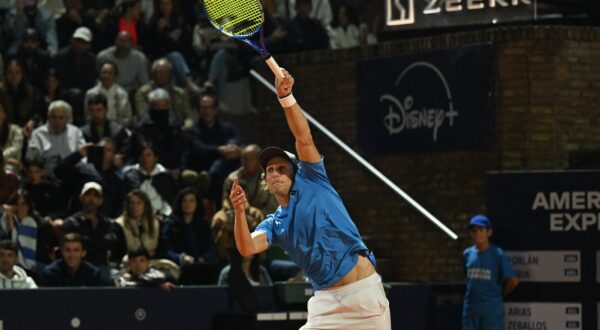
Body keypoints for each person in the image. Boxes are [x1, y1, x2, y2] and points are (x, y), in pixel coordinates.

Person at [230, 69, 390, 329]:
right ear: (265, 182)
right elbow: (247, 248)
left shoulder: (313, 179)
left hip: (364, 298)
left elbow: (303, 137)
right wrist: (238, 211)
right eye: (269, 171)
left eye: (282, 168)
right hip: (325, 303)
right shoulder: (274, 225)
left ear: (296, 172)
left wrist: (286, 98)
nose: (275, 173)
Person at [462, 215, 519, 330]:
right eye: (474, 231)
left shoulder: (497, 254)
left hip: (491, 310)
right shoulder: (467, 254)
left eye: (481, 230)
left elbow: (513, 281)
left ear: (489, 232)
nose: (477, 233)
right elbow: (467, 279)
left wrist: (497, 296)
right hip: (471, 309)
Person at [61, 181, 127, 281]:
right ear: (81, 198)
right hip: (76, 268)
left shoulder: (107, 223)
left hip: (102, 267)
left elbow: (112, 244)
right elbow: (70, 247)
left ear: (101, 201)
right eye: (87, 195)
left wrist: (86, 238)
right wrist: (100, 240)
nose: (91, 199)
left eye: (96, 196)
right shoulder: (70, 223)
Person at [163, 187, 217, 285]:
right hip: (179, 267)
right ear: (180, 203)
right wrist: (181, 257)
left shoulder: (204, 225)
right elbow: (166, 250)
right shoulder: (170, 225)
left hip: (202, 268)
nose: (188, 204)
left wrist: (204, 258)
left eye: (191, 201)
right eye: (184, 201)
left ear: (197, 204)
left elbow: (211, 249)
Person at [0, 190, 39, 273]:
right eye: (17, 204)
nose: (20, 208)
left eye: (23, 204)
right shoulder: (5, 220)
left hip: (29, 266)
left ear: (29, 206)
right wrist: (9, 220)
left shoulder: (32, 222)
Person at [84, 62, 133, 126]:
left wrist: (116, 125)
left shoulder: (122, 94)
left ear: (115, 76)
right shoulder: (90, 93)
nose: (106, 76)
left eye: (110, 73)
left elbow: (127, 117)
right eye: (103, 73)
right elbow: (87, 116)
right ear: (99, 75)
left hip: (117, 127)